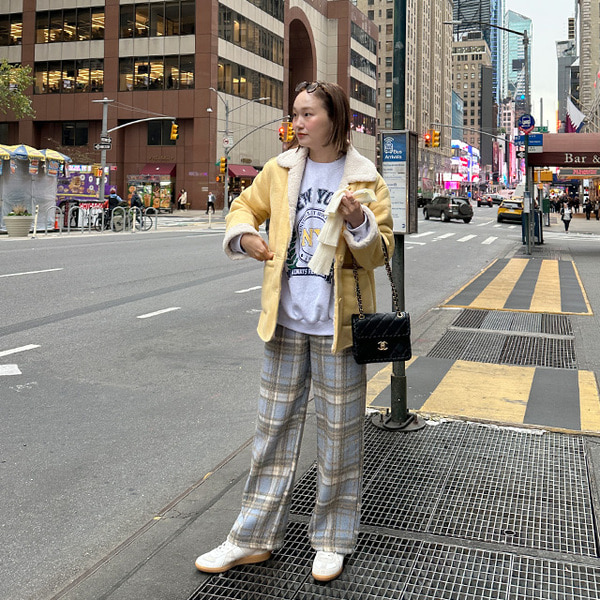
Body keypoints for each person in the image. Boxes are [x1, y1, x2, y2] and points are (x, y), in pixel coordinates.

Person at [194, 81, 393, 582]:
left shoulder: (366, 179)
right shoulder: (280, 169)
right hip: (284, 323)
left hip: (339, 330)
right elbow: (243, 206)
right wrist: (245, 237)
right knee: (272, 434)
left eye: (308, 114)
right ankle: (251, 538)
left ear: (334, 118)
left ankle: (333, 540)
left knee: (339, 437)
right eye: (295, 114)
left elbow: (381, 252)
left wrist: (359, 221)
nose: (297, 123)